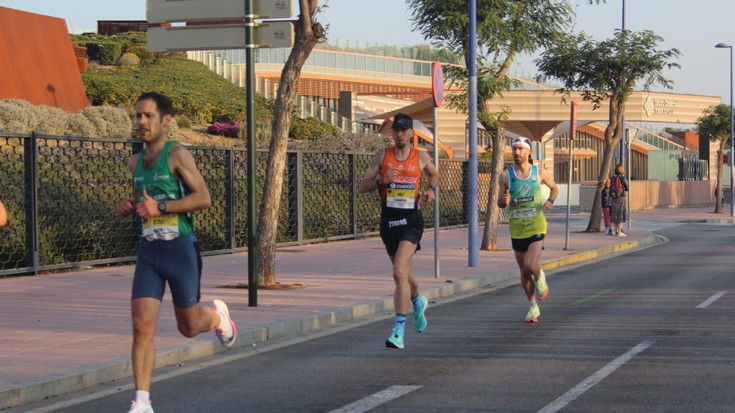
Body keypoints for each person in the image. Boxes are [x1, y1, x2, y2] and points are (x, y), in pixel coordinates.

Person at [116, 92, 237, 413]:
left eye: (148, 116)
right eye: (138, 115)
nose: (141, 121)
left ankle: (217, 318)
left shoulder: (178, 155)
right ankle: (141, 402)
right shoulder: (134, 162)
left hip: (180, 249)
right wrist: (131, 206)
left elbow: (204, 198)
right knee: (141, 325)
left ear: (165, 121)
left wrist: (162, 206)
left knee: (188, 327)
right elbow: (141, 199)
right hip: (149, 252)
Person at [358, 113, 439, 349]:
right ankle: (417, 301)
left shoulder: (421, 157)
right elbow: (362, 186)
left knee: (398, 273)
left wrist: (431, 190)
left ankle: (398, 331)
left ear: (411, 134)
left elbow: (434, 173)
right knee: (403, 274)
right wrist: (382, 181)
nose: (400, 134)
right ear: (392, 133)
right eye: (396, 130)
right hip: (389, 220)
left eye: (404, 130)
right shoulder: (382, 156)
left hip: (411, 220)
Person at [498, 136, 558, 323]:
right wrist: (503, 201)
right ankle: (533, 307)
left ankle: (540, 276)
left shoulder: (538, 172)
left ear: (528, 151)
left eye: (520, 149)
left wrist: (550, 201)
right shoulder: (506, 175)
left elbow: (554, 188)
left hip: (536, 225)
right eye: (514, 149)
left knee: (530, 265)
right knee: (523, 272)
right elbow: (500, 202)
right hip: (517, 228)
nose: (516, 152)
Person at [610, 163, 629, 237]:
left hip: (614, 197)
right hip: (621, 197)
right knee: (621, 213)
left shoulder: (612, 178)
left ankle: (615, 231)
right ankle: (620, 231)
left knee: (614, 213)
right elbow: (627, 187)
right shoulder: (623, 178)